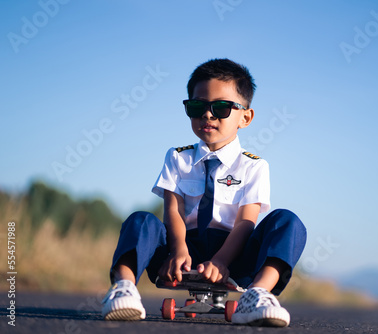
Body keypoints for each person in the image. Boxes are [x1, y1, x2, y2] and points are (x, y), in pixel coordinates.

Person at [101, 58, 307, 327]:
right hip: (183, 249)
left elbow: (246, 222)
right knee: (140, 220)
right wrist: (177, 249)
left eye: (221, 107)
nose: (207, 115)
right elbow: (172, 210)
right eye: (197, 106)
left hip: (235, 254)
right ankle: (124, 289)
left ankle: (258, 294)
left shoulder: (254, 166)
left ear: (245, 116)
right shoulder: (177, 157)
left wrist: (221, 261)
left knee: (288, 221)